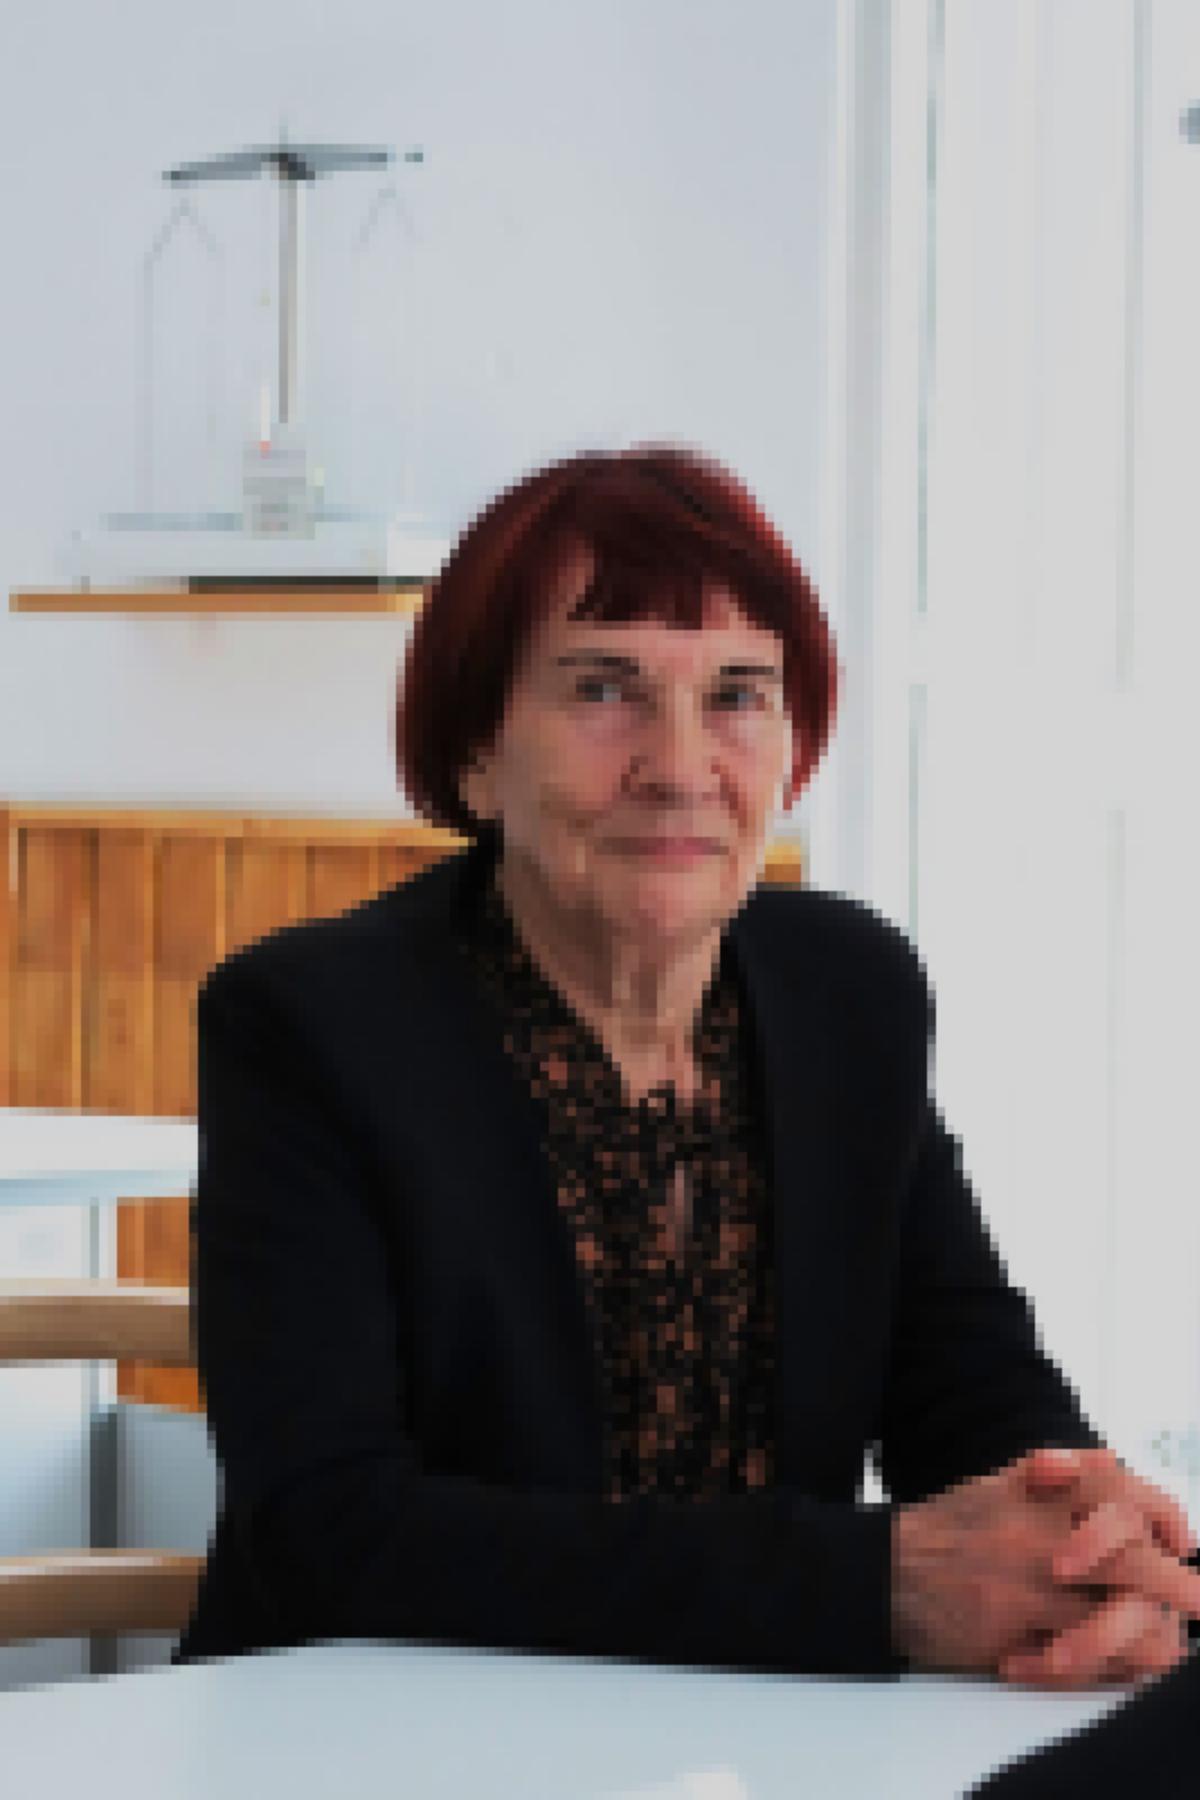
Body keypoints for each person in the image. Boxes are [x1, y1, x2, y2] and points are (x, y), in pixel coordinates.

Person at [174, 443, 1200, 1690]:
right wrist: (870, 1586)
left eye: (737, 695)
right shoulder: (312, 1021)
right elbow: (330, 1533)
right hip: (364, 1736)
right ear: (476, 751)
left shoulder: (850, 993)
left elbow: (974, 1392)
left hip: (752, 1749)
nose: (678, 767)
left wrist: (1089, 1550)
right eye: (604, 688)